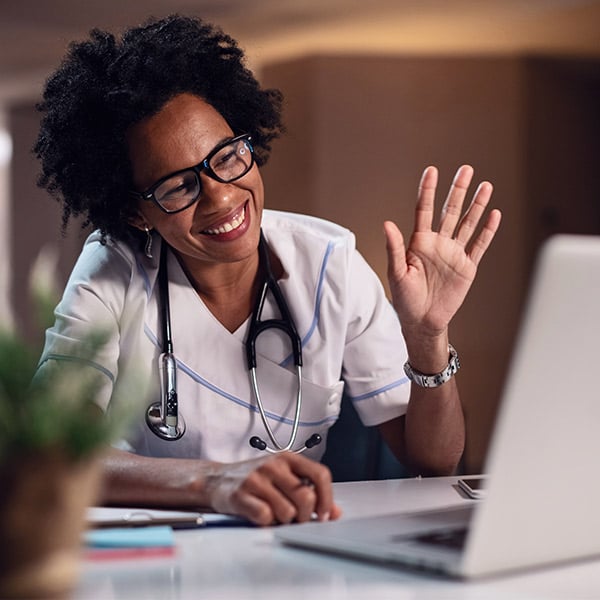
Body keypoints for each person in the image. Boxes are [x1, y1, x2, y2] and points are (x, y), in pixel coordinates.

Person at [34, 15, 501, 526]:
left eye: (228, 157)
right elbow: (50, 457)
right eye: (177, 186)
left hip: (295, 543)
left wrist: (429, 336)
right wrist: (215, 483)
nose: (221, 197)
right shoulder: (112, 270)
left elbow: (433, 461)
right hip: (161, 556)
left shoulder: (329, 262)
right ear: (134, 212)